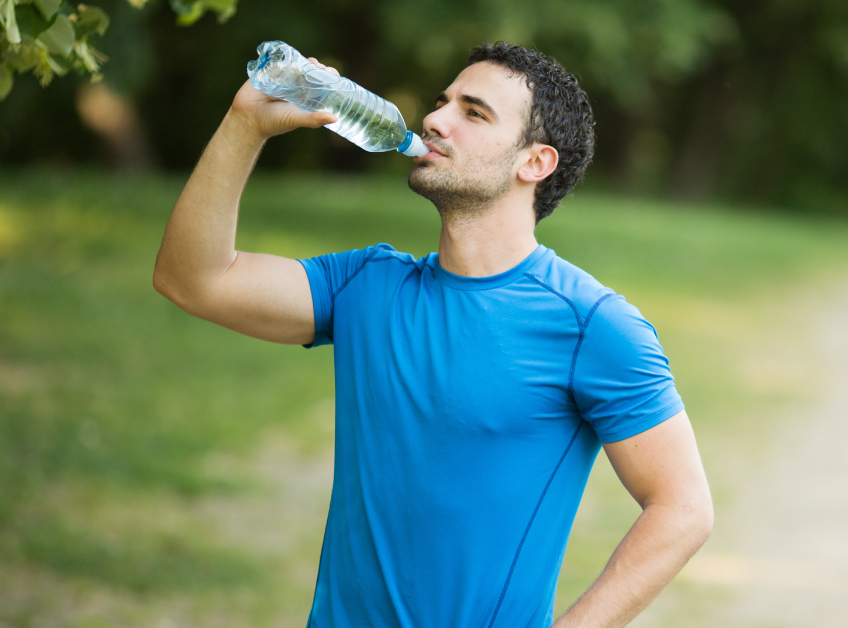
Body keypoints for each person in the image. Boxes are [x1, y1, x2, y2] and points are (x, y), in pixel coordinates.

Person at [153, 42, 712, 628]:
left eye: (473, 113)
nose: (435, 120)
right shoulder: (365, 285)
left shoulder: (591, 325)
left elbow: (683, 508)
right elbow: (193, 279)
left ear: (534, 163)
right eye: (443, 102)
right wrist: (245, 123)